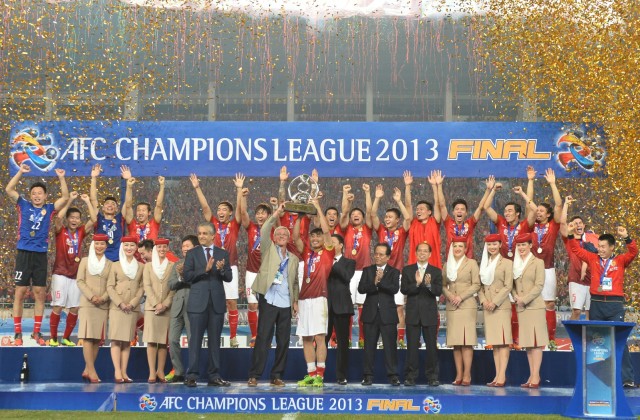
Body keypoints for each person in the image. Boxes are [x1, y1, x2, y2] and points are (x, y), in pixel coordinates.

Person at [566, 222, 638, 388]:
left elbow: (634, 252)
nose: (600, 249)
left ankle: (627, 378)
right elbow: (576, 250)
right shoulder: (592, 259)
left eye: (604, 247)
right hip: (596, 303)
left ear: (612, 247)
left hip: (615, 305)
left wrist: (627, 237)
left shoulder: (620, 261)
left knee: (619, 340)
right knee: (596, 341)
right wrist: (570, 236)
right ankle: (596, 377)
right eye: (599, 246)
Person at [5, 163, 69, 346]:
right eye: (34, 193)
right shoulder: (22, 204)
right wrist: (20, 172)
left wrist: (62, 177)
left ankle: (36, 332)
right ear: (30, 195)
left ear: (45, 195)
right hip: (23, 252)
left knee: (40, 293)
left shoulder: (49, 209)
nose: (37, 196)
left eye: (40, 193)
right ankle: (17, 333)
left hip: (40, 254)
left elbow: (65, 197)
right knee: (20, 292)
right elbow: (9, 188)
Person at [248, 203, 300, 387]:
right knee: (263, 338)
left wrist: (295, 301)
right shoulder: (268, 249)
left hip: (286, 301)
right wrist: (277, 212)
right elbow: (264, 230)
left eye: (284, 235)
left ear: (288, 238)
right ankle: (254, 374)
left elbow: (295, 282)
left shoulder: (293, 259)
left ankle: (276, 375)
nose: (281, 236)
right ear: (274, 238)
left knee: (283, 340)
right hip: (269, 298)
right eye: (278, 234)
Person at [190, 173, 241, 348]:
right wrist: (197, 188)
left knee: (231, 302)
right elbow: (205, 207)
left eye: (224, 209)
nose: (220, 212)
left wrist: (239, 190)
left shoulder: (234, 224)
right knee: (210, 300)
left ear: (230, 213)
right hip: (211, 267)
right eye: (219, 209)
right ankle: (208, 333)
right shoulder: (212, 224)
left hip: (230, 266)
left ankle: (233, 337)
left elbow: (241, 211)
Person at [183, 222, 233, 387]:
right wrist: (205, 270)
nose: (202, 236)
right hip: (197, 304)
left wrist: (221, 270)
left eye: (205, 233)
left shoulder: (223, 253)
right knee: (195, 340)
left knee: (214, 341)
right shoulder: (192, 254)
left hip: (216, 304)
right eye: (199, 233)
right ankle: (191, 375)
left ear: (213, 235)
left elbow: (229, 277)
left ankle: (214, 376)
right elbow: (187, 276)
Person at [293, 199, 334, 387]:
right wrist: (300, 218)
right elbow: (295, 239)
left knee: (319, 337)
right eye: (313, 237)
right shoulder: (306, 253)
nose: (316, 239)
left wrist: (318, 207)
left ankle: (320, 375)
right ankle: (310, 373)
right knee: (306, 338)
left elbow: (327, 232)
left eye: (318, 237)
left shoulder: (327, 252)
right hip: (303, 299)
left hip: (319, 299)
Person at [49, 191, 97, 347]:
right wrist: (69, 200)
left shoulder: (81, 232)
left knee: (75, 308)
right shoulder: (60, 231)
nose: (75, 220)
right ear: (68, 219)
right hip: (60, 274)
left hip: (76, 275)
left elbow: (94, 219)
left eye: (77, 218)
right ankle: (53, 337)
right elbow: (58, 218)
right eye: (72, 217)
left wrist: (88, 201)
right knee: (58, 305)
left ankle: (67, 338)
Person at [234, 173, 275, 347]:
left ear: (268, 215)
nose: (259, 216)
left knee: (268, 308)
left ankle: (267, 336)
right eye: (258, 213)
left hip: (268, 272)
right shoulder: (250, 227)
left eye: (263, 213)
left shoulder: (274, 228)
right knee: (252, 306)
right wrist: (242, 195)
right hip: (251, 271)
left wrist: (276, 206)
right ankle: (254, 336)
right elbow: (242, 212)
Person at [371, 184, 411, 348]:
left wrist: (399, 201)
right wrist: (377, 197)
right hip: (380, 273)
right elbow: (373, 214)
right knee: (381, 308)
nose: (386, 219)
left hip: (397, 274)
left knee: (399, 308)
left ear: (397, 220)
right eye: (386, 216)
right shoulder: (381, 230)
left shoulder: (402, 231)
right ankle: (384, 340)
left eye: (390, 217)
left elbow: (409, 218)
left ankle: (400, 341)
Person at [358, 243, 401, 386]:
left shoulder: (394, 272)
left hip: (388, 315)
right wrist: (374, 282)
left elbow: (394, 289)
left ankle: (393, 375)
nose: (378, 256)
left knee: (390, 347)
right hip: (370, 314)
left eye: (381, 254)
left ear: (388, 257)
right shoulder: (367, 270)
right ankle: (368, 376)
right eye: (376, 253)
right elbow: (361, 289)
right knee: (369, 347)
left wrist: (380, 282)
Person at [529, 168, 563, 345]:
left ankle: (550, 339)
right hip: (531, 270)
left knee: (549, 304)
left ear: (548, 214)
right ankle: (533, 337)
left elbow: (558, 205)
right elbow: (529, 203)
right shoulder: (531, 224)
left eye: (541, 211)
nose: (538, 212)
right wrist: (530, 181)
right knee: (532, 305)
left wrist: (552, 184)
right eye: (538, 210)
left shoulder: (553, 225)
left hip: (548, 269)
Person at [401, 242, 443, 387]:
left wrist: (428, 285)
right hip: (413, 314)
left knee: (431, 347)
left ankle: (432, 377)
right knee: (411, 347)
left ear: (430, 254)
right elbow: (404, 289)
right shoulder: (407, 270)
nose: (422, 253)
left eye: (425, 251)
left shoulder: (436, 271)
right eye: (420, 251)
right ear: (416, 253)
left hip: (429, 315)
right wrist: (417, 284)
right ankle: (410, 377)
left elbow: (438, 291)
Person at [511, 233, 548, 389]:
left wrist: (524, 299)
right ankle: (533, 375)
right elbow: (511, 285)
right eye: (519, 245)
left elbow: (539, 285)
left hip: (534, 306)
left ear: (530, 246)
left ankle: (535, 376)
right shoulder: (515, 264)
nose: (521, 248)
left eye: (524, 245)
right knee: (528, 343)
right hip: (521, 307)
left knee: (536, 343)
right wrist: (515, 297)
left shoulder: (538, 262)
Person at [442, 237, 480, 386]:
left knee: (466, 342)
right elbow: (443, 285)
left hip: (467, 305)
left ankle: (467, 374)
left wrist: (461, 296)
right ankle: (458, 374)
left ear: (465, 249)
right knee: (456, 342)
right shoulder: (447, 265)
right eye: (455, 246)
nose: (457, 248)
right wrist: (450, 295)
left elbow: (476, 284)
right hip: (452, 306)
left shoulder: (471, 263)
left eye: (460, 246)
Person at [340, 182, 374, 348]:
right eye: (353, 214)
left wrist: (367, 192)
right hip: (349, 272)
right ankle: (345, 338)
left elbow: (369, 212)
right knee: (347, 306)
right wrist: (346, 197)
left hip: (365, 272)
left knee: (362, 307)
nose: (355, 215)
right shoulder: (346, 229)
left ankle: (362, 338)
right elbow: (344, 213)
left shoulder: (367, 229)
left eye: (358, 214)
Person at [107, 236, 144, 383]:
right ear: (122, 247)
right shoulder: (115, 265)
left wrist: (133, 303)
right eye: (126, 245)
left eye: (132, 245)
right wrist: (120, 303)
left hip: (132, 308)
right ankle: (117, 371)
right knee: (116, 340)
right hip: (118, 308)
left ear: (136, 248)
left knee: (127, 341)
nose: (129, 248)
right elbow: (110, 286)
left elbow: (142, 287)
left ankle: (124, 372)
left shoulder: (141, 266)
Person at [76, 234, 112, 383]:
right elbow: (80, 281)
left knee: (97, 339)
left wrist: (103, 298)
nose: (99, 246)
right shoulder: (85, 261)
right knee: (87, 337)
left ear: (106, 246)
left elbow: (111, 284)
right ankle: (92, 371)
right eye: (97, 243)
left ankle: (87, 369)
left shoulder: (110, 264)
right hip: (87, 303)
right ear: (93, 245)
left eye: (102, 244)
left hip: (102, 305)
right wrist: (92, 296)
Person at [478, 234, 513, 387]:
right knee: (495, 343)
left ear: (500, 245)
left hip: (501, 306)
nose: (492, 247)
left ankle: (502, 376)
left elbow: (508, 286)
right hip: (488, 306)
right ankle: (497, 376)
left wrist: (495, 302)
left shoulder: (506, 263)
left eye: (494, 244)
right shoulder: (484, 263)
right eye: (489, 245)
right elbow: (479, 286)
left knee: (503, 342)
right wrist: (484, 300)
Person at [166, 235, 198, 383]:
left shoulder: (200, 264)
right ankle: (178, 371)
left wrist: (185, 276)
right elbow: (171, 284)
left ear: (195, 248)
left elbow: (200, 282)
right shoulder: (177, 264)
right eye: (183, 246)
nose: (185, 249)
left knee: (193, 340)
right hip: (177, 306)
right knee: (172, 339)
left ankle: (192, 373)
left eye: (188, 246)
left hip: (193, 306)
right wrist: (179, 278)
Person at [560, 196, 598, 320]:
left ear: (584, 225)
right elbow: (562, 224)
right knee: (576, 311)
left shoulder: (591, 239)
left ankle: (589, 339)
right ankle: (572, 338)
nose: (578, 225)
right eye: (575, 223)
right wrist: (565, 204)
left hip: (592, 280)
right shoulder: (569, 239)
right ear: (571, 227)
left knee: (590, 313)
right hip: (576, 280)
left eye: (580, 223)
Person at [143, 238, 175, 383]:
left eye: (164, 247)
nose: (162, 249)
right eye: (160, 247)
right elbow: (147, 286)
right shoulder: (148, 267)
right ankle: (151, 372)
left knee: (163, 342)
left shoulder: (172, 266)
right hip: (151, 308)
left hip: (166, 309)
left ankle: (160, 371)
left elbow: (173, 288)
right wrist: (156, 303)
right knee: (151, 341)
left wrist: (165, 304)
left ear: (167, 249)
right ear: (156, 248)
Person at [437, 175, 494, 257]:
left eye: (462, 209)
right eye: (457, 209)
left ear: (466, 213)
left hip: (468, 260)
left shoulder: (470, 223)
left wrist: (488, 190)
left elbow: (480, 208)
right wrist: (439, 185)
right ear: (453, 212)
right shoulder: (448, 222)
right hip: (451, 260)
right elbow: (442, 205)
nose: (459, 211)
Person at [326, 234, 356, 385]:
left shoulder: (349, 262)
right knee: (320, 342)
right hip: (323, 306)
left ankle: (341, 376)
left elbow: (346, 277)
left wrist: (332, 262)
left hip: (342, 307)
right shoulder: (322, 260)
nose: (329, 245)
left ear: (341, 246)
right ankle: (319, 374)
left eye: (333, 243)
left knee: (343, 343)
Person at [90, 164, 129, 262]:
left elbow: (128, 202)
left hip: (118, 259)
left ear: (116, 208)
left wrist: (128, 181)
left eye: (113, 204)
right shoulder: (98, 219)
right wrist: (94, 178)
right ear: (102, 208)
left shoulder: (120, 218)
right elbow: (93, 200)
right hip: (101, 259)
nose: (110, 205)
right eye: (107, 203)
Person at [406, 170, 442, 267]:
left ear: (429, 212)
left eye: (421, 209)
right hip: (415, 263)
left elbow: (437, 203)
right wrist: (407, 186)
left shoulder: (435, 221)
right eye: (417, 209)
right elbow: (408, 206)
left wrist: (434, 186)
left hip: (433, 263)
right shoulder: (413, 222)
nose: (418, 211)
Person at [124, 174, 165, 242]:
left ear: (149, 213)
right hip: (134, 252)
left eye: (143, 210)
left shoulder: (154, 224)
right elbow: (128, 206)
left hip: (151, 252)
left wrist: (162, 186)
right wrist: (129, 186)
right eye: (138, 210)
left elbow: (159, 205)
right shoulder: (132, 224)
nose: (140, 212)